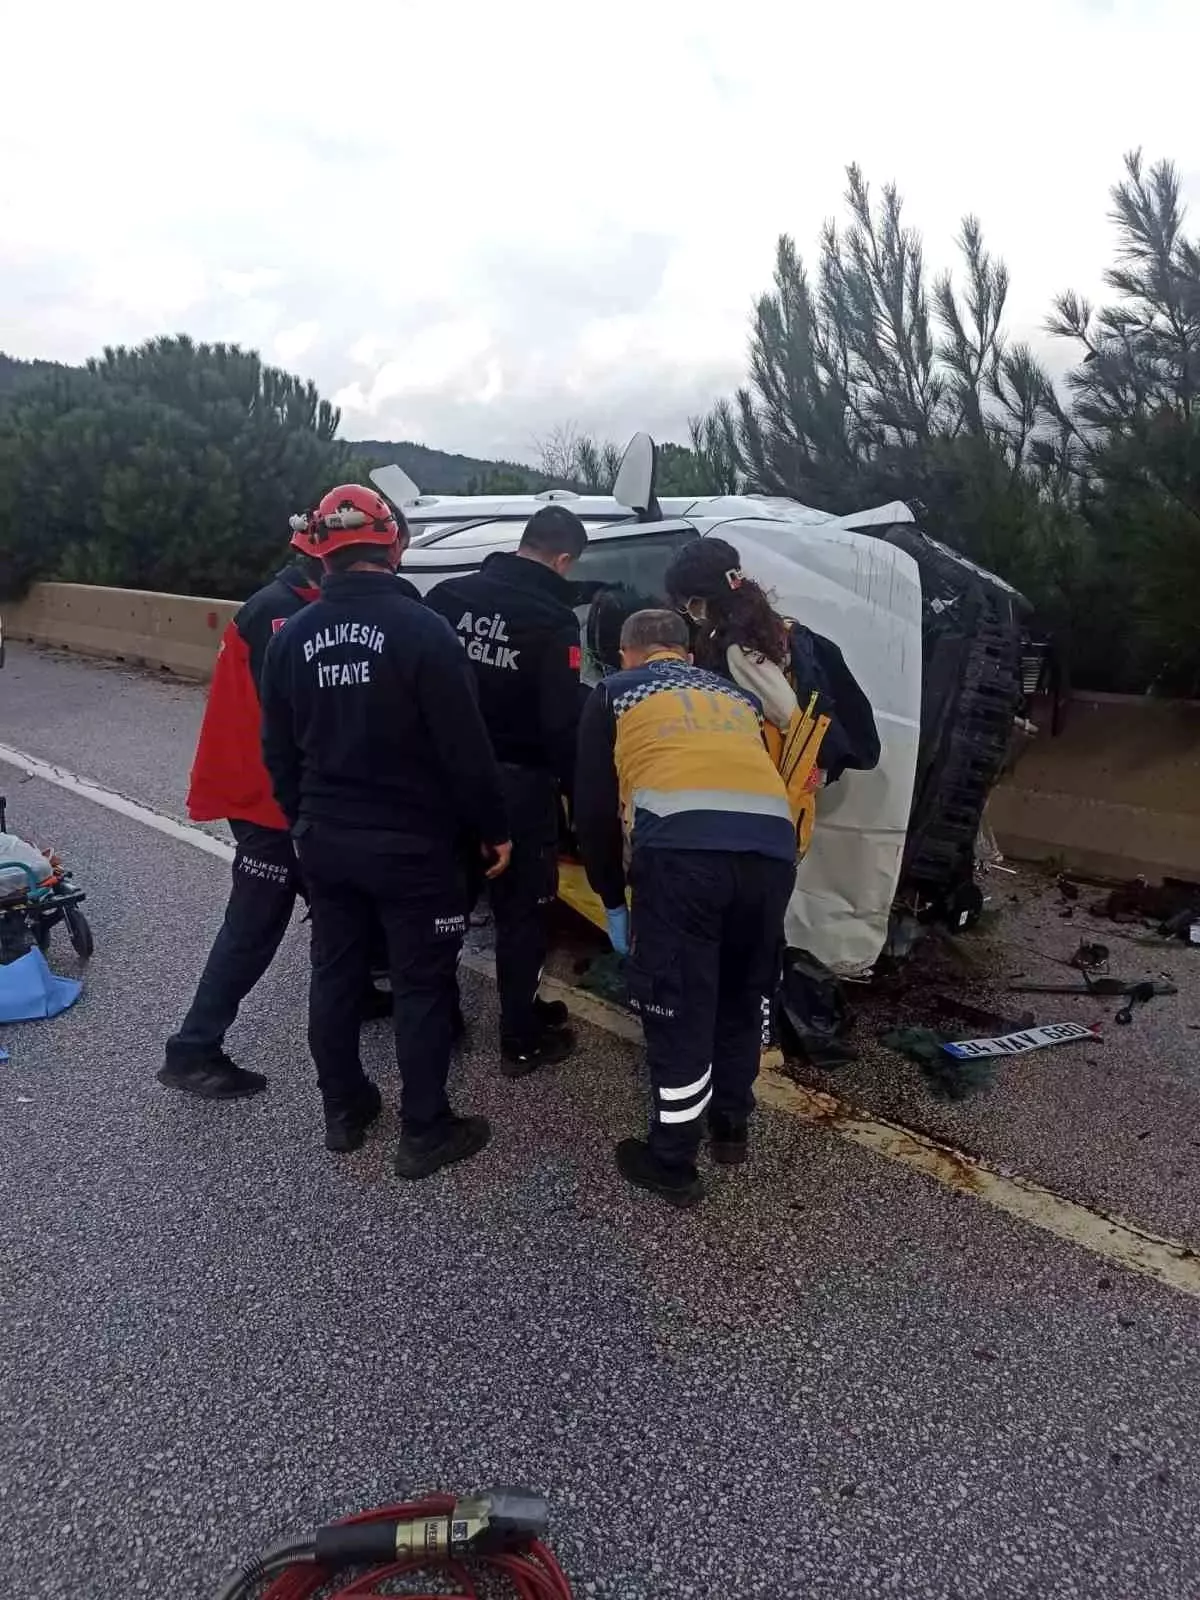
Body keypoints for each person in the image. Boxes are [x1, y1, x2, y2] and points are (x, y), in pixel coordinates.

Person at [260, 484, 512, 1174]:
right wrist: (494, 829)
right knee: (422, 985)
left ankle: (344, 1110)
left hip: (326, 841)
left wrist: (304, 820)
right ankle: (424, 1129)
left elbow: (277, 753)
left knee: (334, 975)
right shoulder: (424, 632)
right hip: (413, 848)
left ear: (324, 552)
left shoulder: (292, 638)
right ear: (392, 544)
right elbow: (467, 750)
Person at [573, 608, 798, 1208]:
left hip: (682, 854)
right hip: (773, 852)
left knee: (679, 1003)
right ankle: (730, 1124)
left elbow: (592, 811)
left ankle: (671, 1159)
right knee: (745, 990)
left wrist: (611, 900)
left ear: (628, 653)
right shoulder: (736, 698)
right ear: (687, 654)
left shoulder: (615, 693)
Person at [160, 524, 369, 1101]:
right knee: (254, 925)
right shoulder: (280, 618)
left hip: (265, 788)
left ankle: (363, 984)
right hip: (265, 799)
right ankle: (193, 1049)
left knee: (339, 895)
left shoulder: (284, 604)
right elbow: (295, 719)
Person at [425, 505, 588, 1074]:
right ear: (563, 559)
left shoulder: (447, 597)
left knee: (446, 904)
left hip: (441, 778)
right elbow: (560, 724)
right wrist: (577, 799)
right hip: (518, 787)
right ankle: (520, 1036)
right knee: (522, 913)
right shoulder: (554, 620)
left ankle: (439, 1019)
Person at [663, 537, 880, 801]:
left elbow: (788, 714)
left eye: (686, 602)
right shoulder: (764, 623)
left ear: (700, 597)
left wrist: (804, 771)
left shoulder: (737, 647)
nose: (688, 611)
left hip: (767, 786)